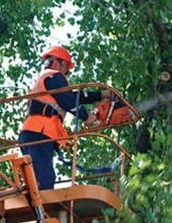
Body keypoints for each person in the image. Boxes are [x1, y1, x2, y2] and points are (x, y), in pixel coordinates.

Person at [18, 45, 112, 190]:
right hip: (39, 132)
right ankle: (42, 210)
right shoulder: (53, 76)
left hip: (33, 132)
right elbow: (67, 101)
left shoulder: (47, 80)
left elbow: (74, 97)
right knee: (45, 179)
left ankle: (38, 207)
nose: (66, 73)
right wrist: (87, 117)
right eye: (66, 68)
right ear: (56, 62)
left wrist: (100, 95)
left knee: (37, 178)